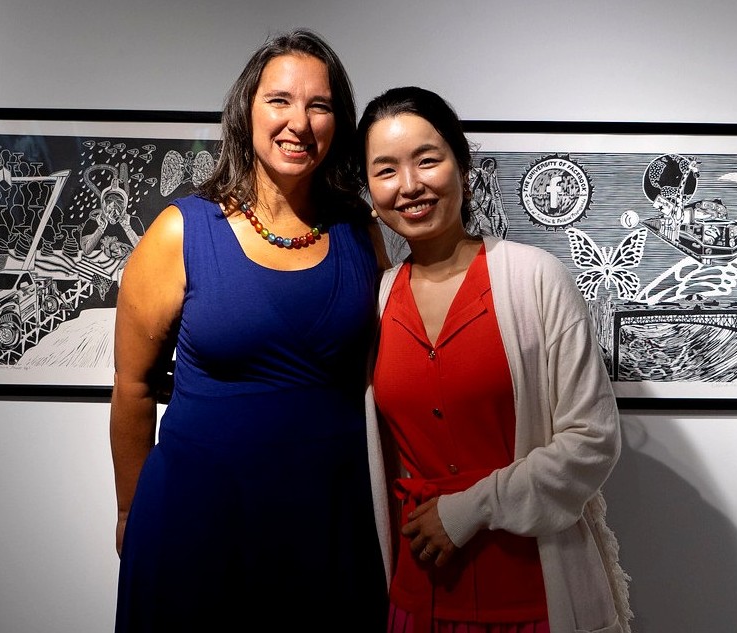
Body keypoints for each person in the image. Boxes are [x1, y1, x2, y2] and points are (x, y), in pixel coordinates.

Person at [110, 29, 389, 630]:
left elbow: (383, 375)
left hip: (330, 522)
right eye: (280, 100)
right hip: (195, 524)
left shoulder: (361, 235)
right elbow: (132, 388)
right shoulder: (180, 232)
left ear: (339, 121)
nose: (300, 122)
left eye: (320, 105)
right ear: (247, 110)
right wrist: (131, 515)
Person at [357, 86, 632, 633]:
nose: (409, 185)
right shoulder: (377, 298)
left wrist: (468, 509)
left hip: (534, 589)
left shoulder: (536, 279)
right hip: (420, 591)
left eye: (427, 160)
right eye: (385, 170)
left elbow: (592, 439)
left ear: (463, 166)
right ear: (368, 189)